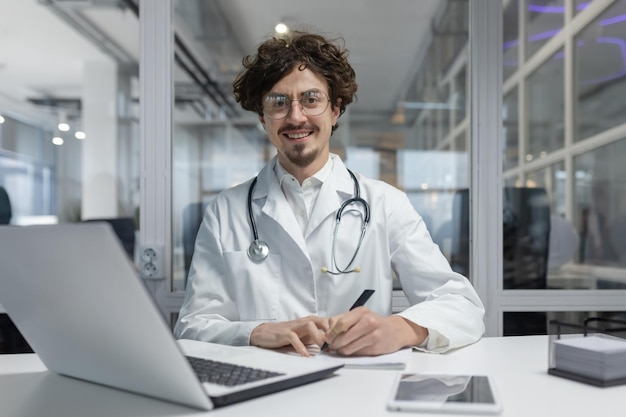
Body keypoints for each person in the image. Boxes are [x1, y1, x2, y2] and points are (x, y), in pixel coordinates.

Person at [174, 31, 485, 357]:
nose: (296, 117)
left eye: (311, 99)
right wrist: (256, 332)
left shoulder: (384, 203)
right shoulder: (227, 210)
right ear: (262, 117)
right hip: (264, 394)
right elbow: (193, 325)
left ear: (335, 110)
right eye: (278, 102)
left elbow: (461, 304)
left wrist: (401, 328)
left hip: (358, 392)